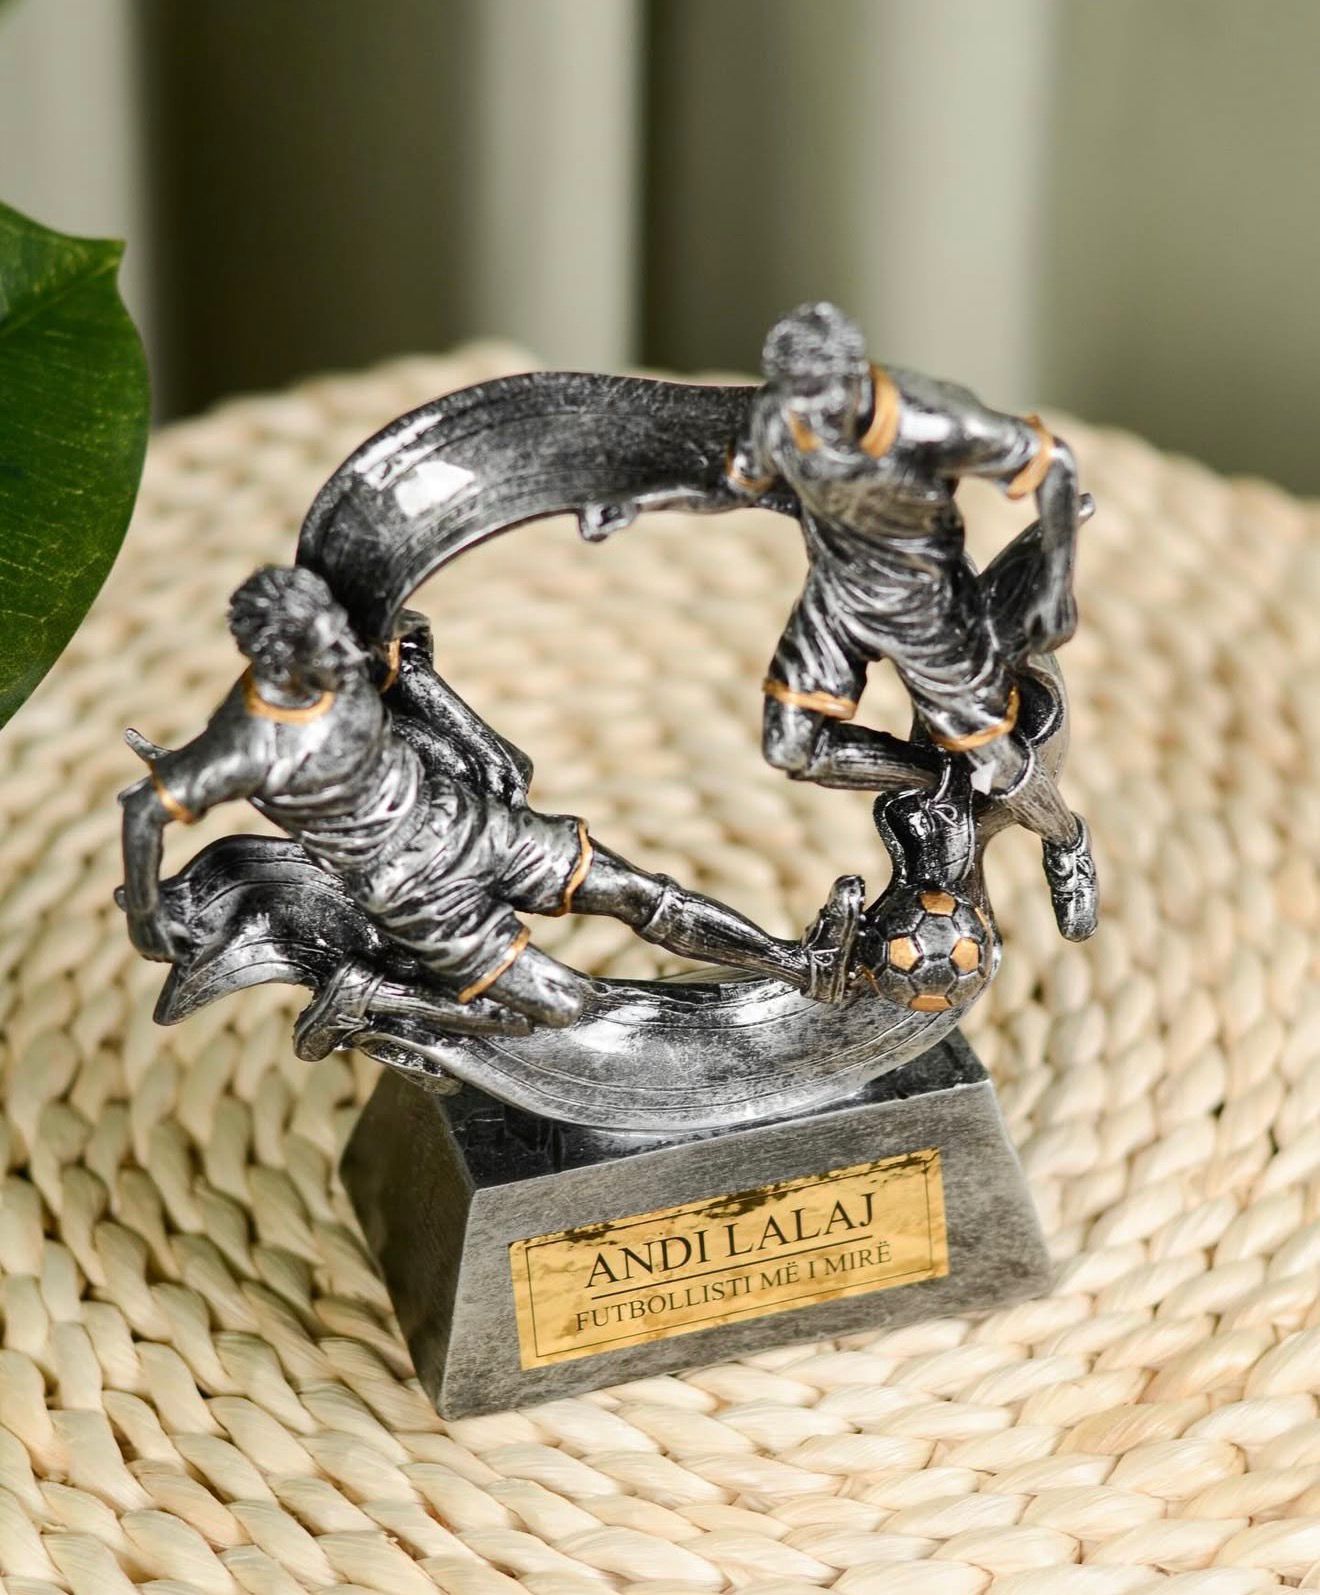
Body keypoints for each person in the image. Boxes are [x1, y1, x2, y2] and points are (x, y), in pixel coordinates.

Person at [120, 565, 849, 1044]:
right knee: (563, 1007)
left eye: (339, 631)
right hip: (415, 890)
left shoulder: (337, 654)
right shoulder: (246, 741)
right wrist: (148, 914)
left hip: (468, 819)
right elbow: (145, 809)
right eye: (324, 643)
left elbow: (406, 655)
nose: (345, 650)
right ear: (278, 655)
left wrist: (478, 737)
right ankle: (370, 994)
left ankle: (797, 965)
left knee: (639, 891)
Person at [726, 302, 1098, 941]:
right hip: (837, 596)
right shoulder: (782, 414)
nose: (807, 417)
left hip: (928, 607)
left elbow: (1056, 464)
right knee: (791, 744)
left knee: (996, 763)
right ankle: (940, 783)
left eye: (819, 398)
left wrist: (1055, 584)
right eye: (793, 397)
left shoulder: (933, 419)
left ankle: (1066, 840)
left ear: (852, 375)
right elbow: (748, 481)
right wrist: (632, 499)